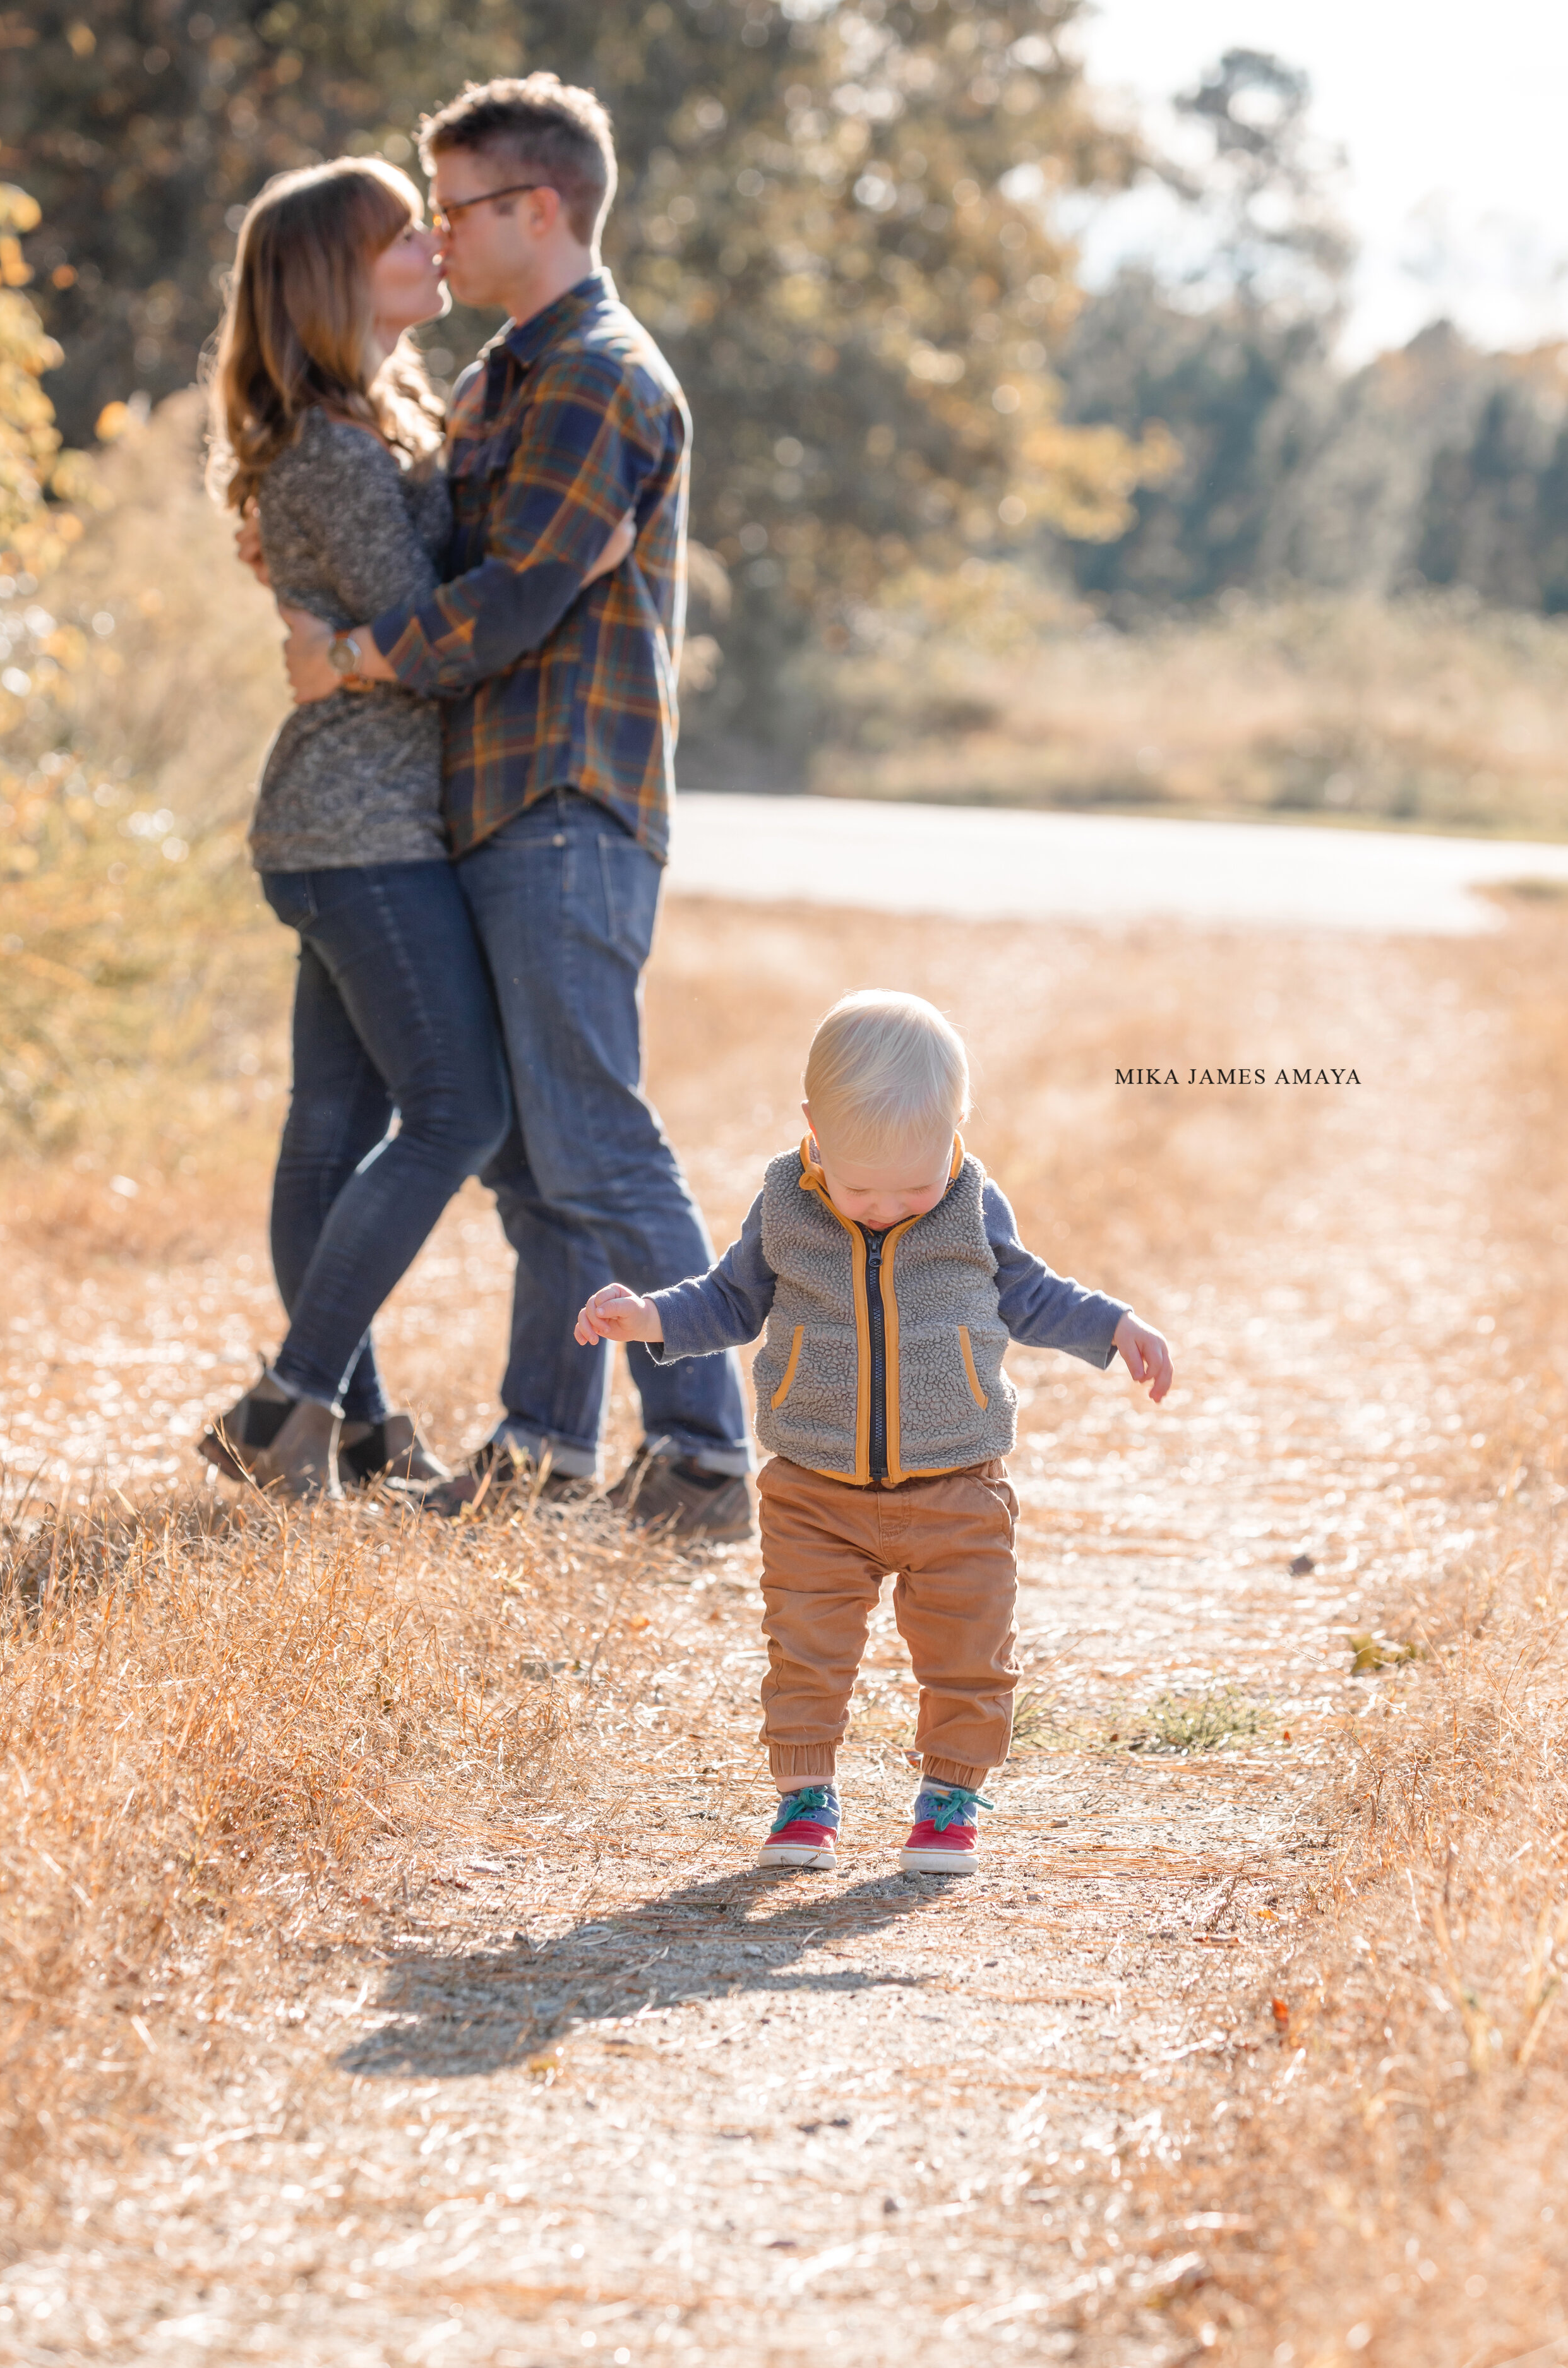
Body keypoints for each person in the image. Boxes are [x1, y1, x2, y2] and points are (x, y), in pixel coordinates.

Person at [278, 75, 754, 1541]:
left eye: (457, 206)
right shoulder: (500, 378)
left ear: (536, 210)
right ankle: (548, 1438)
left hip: (565, 799)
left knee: (595, 1138)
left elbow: (506, 606)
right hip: (486, 806)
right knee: (534, 1155)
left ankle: (704, 1454)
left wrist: (351, 656)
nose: (438, 232)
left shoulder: (601, 371)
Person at [200, 154, 632, 1500]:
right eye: (403, 236)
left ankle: (361, 1427)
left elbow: (388, 626)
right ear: (337, 272)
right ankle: (288, 1405)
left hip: (354, 820)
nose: (434, 249)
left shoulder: (367, 421)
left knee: (331, 1131)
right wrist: (561, 564)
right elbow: (427, 632)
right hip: (361, 823)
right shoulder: (331, 450)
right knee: (454, 1110)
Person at [573, 991, 1176, 1875]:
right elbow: (730, 1298)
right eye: (860, 1189)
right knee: (805, 1646)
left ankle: (951, 1796)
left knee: (970, 1644)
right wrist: (650, 1318)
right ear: (813, 1128)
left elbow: (1033, 1292)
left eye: (914, 1186)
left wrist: (1114, 1325)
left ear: (955, 1134)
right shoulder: (784, 1200)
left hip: (955, 1482)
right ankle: (805, 1794)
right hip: (814, 1485)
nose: (887, 1207)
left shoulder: (972, 1202)